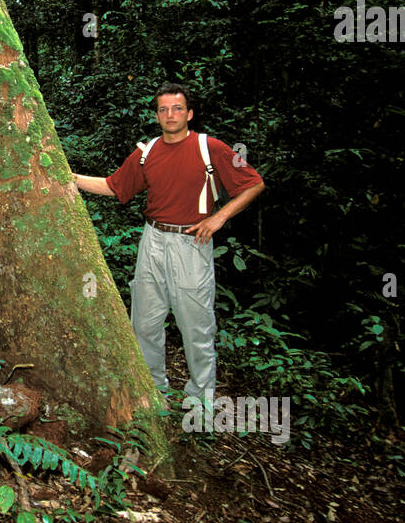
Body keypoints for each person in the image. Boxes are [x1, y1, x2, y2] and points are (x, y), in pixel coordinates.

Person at [72, 83, 265, 405]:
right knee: (144, 322)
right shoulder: (147, 153)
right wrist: (69, 178)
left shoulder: (211, 148)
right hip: (153, 240)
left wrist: (218, 218)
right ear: (157, 116)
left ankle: (200, 403)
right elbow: (113, 186)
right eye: (163, 109)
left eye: (177, 108)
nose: (170, 115)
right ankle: (153, 395)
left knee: (197, 328)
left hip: (191, 243)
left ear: (189, 113)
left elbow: (254, 183)